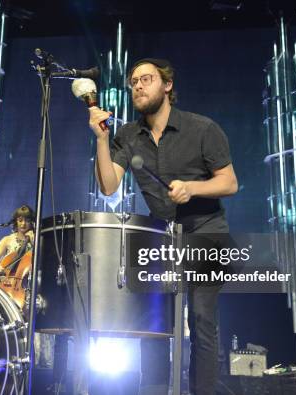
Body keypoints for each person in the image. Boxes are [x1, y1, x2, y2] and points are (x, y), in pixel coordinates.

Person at [88, 58, 238, 395]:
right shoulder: (128, 135)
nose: (138, 86)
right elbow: (109, 186)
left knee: (200, 320)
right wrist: (101, 139)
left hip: (206, 231)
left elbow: (229, 183)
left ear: (167, 85)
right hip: (161, 235)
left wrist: (192, 187)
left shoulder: (202, 128)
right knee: (153, 322)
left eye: (146, 79)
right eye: (133, 82)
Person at [0, 205, 35, 277]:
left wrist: (33, 241)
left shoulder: (36, 240)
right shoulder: (7, 239)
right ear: (16, 222)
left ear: (32, 223)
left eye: (27, 221)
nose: (23, 224)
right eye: (20, 220)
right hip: (7, 278)